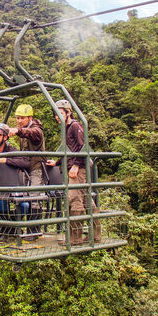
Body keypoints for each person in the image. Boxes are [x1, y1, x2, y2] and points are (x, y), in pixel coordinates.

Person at [46, 99, 101, 244]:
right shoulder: (66, 128)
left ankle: (75, 238)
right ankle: (95, 235)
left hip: (79, 168)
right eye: (56, 114)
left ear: (68, 112)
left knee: (74, 200)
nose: (57, 116)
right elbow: (69, 150)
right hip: (75, 167)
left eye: (60, 113)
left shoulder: (75, 126)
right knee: (86, 200)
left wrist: (76, 165)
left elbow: (83, 147)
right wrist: (57, 162)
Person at [8, 104, 45, 237]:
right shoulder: (23, 129)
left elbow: (33, 134)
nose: (19, 121)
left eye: (22, 118)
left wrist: (17, 130)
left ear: (30, 117)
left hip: (36, 168)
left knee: (35, 197)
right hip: (25, 167)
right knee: (21, 197)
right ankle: (18, 229)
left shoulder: (36, 130)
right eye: (17, 118)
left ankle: (33, 232)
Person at [0, 123, 30, 230]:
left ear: (5, 137)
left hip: (10, 185)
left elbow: (25, 162)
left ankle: (11, 226)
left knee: (25, 206)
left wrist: (6, 160)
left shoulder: (11, 150)